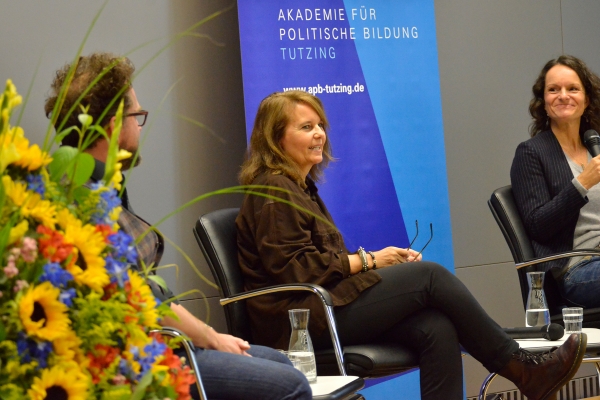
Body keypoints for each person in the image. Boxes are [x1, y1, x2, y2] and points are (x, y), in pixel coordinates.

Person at [235, 90, 587, 400]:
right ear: (276, 138)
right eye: (306, 127)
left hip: (321, 305)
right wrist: (371, 261)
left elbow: (317, 260)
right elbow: (300, 269)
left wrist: (380, 262)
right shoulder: (274, 188)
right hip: (299, 321)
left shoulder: (300, 187)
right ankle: (522, 367)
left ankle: (525, 368)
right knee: (429, 276)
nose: (319, 135)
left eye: (320, 125)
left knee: (436, 327)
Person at [44, 52, 311, 400]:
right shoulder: (82, 200)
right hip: (140, 356)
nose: (139, 126)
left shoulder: (103, 186)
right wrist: (210, 338)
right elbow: (141, 301)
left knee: (278, 361)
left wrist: (208, 336)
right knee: (290, 385)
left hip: (162, 338)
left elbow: (153, 295)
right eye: (136, 116)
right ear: (112, 125)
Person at [511, 55, 600, 309]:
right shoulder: (531, 153)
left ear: (587, 99)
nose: (563, 95)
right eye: (553, 90)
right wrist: (582, 182)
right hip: (575, 270)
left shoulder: (595, 146)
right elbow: (537, 225)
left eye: (573, 88)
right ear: (543, 102)